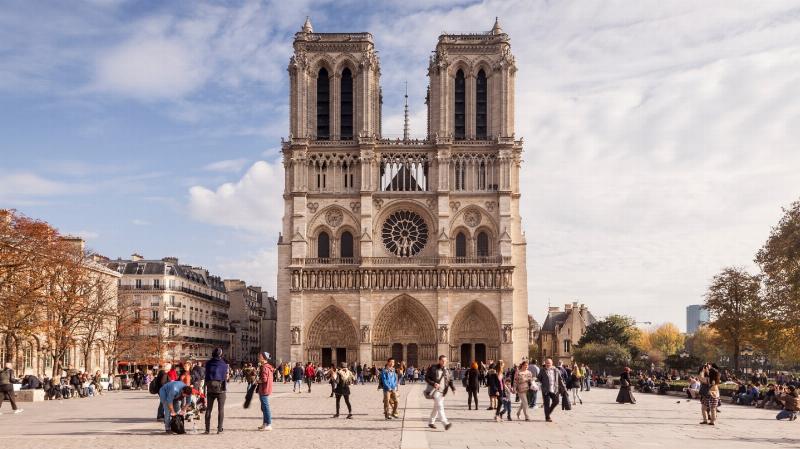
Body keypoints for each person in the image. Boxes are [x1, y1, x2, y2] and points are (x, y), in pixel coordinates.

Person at [425, 355, 455, 430]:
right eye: (443, 361)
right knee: (440, 406)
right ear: (439, 360)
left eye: (445, 361)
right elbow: (427, 378)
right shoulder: (433, 368)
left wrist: (453, 388)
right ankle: (445, 423)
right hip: (435, 390)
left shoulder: (447, 370)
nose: (444, 362)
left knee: (436, 407)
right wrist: (433, 383)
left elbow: (450, 380)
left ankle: (431, 422)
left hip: (443, 391)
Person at [204, 347, 229, 434]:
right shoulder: (224, 364)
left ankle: (207, 429)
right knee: (220, 410)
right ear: (220, 354)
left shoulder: (208, 363)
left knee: (208, 409)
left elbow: (206, 375)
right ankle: (219, 429)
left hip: (210, 389)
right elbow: (225, 377)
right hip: (220, 389)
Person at [536, 358, 566, 422]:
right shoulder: (542, 370)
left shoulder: (556, 370)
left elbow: (560, 380)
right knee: (547, 403)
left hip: (554, 389)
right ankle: (547, 417)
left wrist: (564, 388)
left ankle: (548, 412)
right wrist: (535, 382)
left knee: (556, 401)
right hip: (545, 389)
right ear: (545, 364)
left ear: (552, 363)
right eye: (547, 363)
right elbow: (538, 379)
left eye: (549, 363)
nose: (548, 364)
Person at [257, 352, 274, 430]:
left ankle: (269, 424)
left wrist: (257, 381)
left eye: (260, 356)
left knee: (266, 407)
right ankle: (265, 423)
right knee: (264, 407)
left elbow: (264, 379)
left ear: (264, 358)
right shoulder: (268, 367)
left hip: (264, 389)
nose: (258, 357)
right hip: (266, 388)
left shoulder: (264, 367)